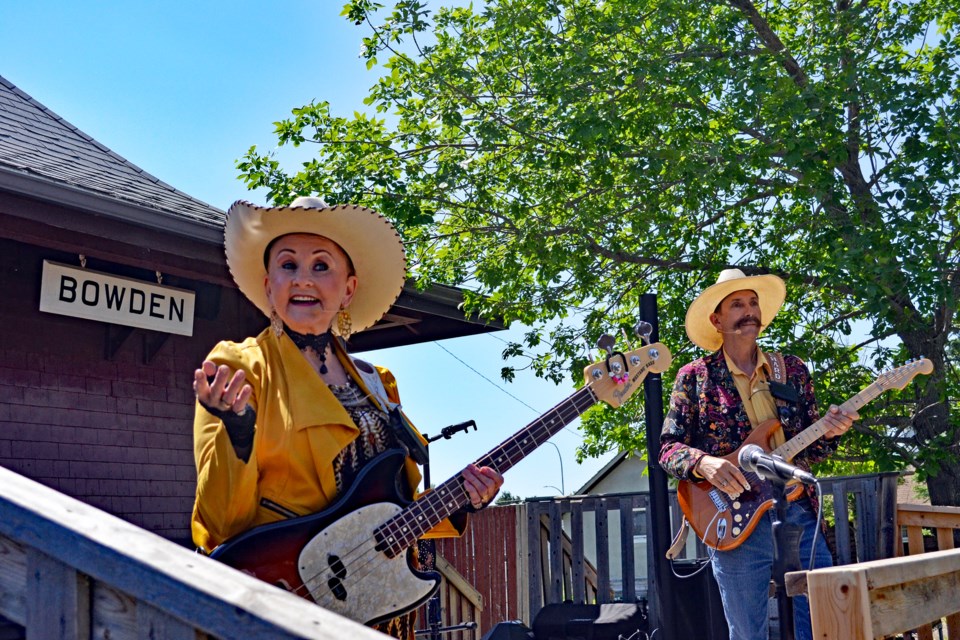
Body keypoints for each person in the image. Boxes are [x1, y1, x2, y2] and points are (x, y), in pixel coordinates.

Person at [191, 196, 503, 639]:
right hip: (280, 606)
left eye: (321, 266)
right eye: (288, 265)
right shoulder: (241, 367)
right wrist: (238, 433)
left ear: (348, 289)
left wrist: (462, 501)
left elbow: (393, 514)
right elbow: (222, 524)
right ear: (268, 284)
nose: (303, 280)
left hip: (380, 613)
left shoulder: (379, 383)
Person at [659, 268, 857, 640]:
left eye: (753, 302)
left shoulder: (791, 370)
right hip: (731, 516)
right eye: (737, 304)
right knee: (748, 633)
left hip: (797, 508)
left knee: (825, 623)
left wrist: (832, 431)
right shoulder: (695, 377)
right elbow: (668, 449)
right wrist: (705, 463)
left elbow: (812, 447)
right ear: (717, 320)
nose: (749, 310)